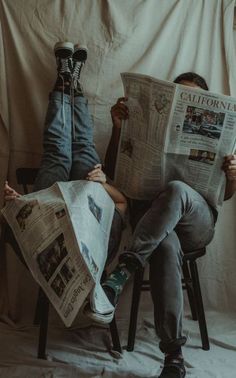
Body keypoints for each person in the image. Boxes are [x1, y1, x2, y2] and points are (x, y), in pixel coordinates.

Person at [94, 72, 236, 378]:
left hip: (197, 222)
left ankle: (124, 269)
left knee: (177, 189)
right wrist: (119, 128)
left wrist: (233, 174)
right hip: (156, 226)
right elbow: (114, 172)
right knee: (165, 245)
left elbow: (225, 194)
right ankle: (174, 355)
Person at [4, 41, 127, 319]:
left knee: (58, 150)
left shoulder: (43, 263)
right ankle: (73, 81)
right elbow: (121, 203)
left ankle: (65, 77)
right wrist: (103, 181)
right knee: (82, 145)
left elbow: (12, 228)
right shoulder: (104, 254)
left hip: (51, 195)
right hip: (89, 186)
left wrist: (12, 203)